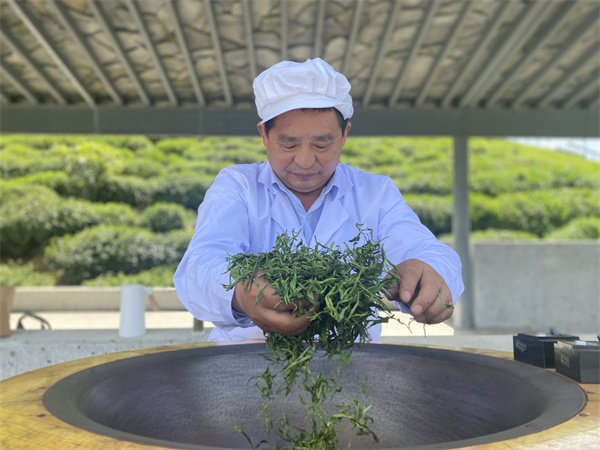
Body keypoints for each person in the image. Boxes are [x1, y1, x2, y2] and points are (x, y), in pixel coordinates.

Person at [174, 58, 464, 341]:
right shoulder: (238, 186)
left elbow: (430, 252)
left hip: (349, 362)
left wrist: (430, 272)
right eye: (289, 143)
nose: (304, 160)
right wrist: (240, 293)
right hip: (242, 358)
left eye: (322, 144)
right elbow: (201, 264)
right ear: (264, 135)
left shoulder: (375, 193)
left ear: (344, 135)